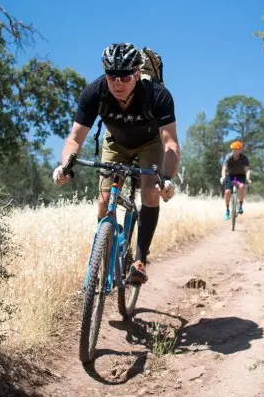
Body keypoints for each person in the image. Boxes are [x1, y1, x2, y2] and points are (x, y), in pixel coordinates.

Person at [52, 43, 180, 285]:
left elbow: (170, 143)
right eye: (112, 76)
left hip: (149, 143)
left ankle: (140, 260)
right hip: (115, 143)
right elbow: (75, 138)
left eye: (125, 77)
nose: (117, 83)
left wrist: (167, 178)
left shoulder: (157, 94)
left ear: (137, 73)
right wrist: (64, 166)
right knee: (103, 201)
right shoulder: (95, 92)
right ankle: (106, 252)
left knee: (151, 193)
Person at [220, 140, 251, 220]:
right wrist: (223, 177)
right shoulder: (228, 157)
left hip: (240, 176)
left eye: (238, 149)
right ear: (232, 150)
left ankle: (240, 206)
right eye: (234, 149)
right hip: (230, 176)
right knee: (227, 192)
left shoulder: (244, 158)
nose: (236, 151)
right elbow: (224, 169)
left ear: (240, 150)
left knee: (241, 186)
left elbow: (247, 170)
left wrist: (248, 178)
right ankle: (227, 210)